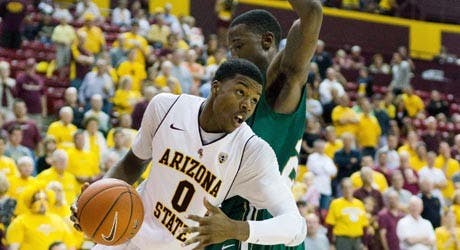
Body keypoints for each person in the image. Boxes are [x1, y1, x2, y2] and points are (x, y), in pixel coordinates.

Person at [73, 59, 306, 249]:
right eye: (240, 92)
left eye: (254, 100)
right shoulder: (166, 107)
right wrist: (95, 198)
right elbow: (131, 163)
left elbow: (296, 227)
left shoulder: (252, 152)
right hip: (127, 231)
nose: (247, 104)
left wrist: (236, 229)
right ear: (216, 88)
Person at [209, 1, 323, 250]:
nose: (233, 57)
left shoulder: (279, 89)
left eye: (238, 46)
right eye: (230, 50)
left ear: (267, 42)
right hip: (229, 225)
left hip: (265, 228)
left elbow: (311, 15)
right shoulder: (236, 104)